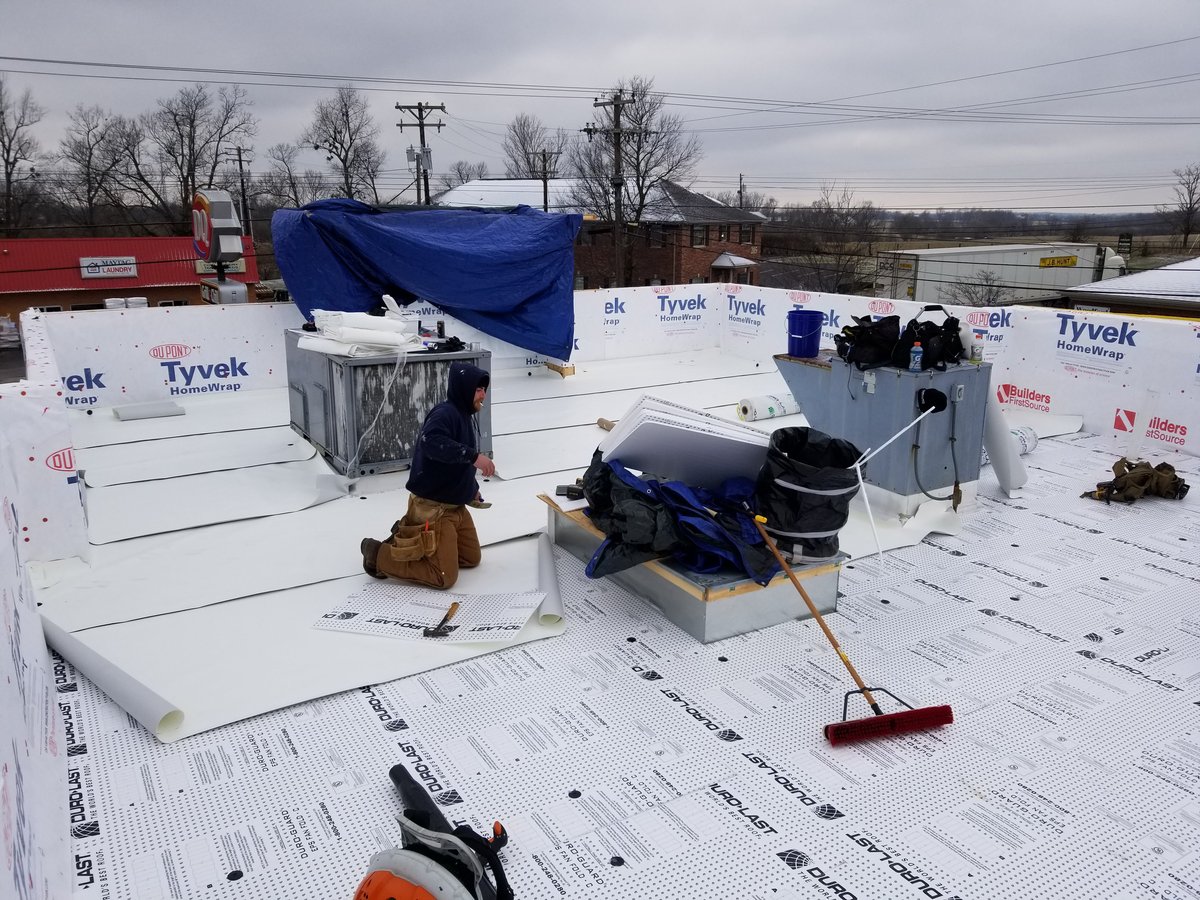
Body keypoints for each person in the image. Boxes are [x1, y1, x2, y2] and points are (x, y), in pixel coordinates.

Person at [360, 362, 495, 589]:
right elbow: (431, 442)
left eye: (484, 388)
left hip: (456, 508)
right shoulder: (445, 413)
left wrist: (471, 488)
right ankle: (380, 553)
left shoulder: (464, 415)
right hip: (435, 510)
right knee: (444, 577)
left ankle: (414, 541)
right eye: (478, 388)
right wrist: (474, 457)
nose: (483, 393)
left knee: (471, 559)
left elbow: (454, 465)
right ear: (463, 388)